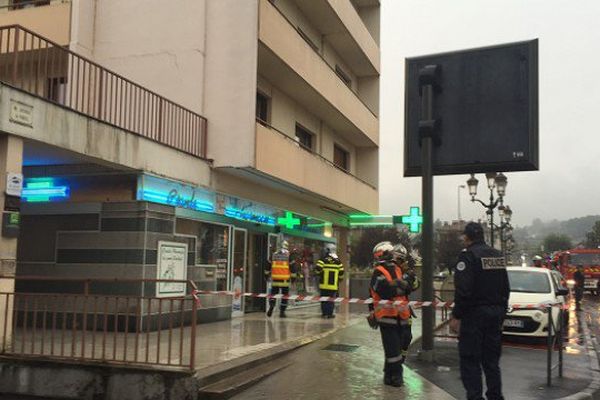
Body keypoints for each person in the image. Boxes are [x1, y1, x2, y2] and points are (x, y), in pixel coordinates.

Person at [449, 222, 510, 400]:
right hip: (495, 315)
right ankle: (495, 396)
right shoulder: (497, 255)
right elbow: (506, 288)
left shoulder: (467, 256)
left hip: (474, 317)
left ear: (467, 237)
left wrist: (456, 316)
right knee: (491, 362)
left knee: (470, 360)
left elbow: (464, 291)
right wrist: (501, 312)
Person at [368, 241, 412, 387]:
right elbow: (385, 291)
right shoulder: (378, 271)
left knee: (397, 347)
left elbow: (409, 287)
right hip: (387, 317)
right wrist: (400, 286)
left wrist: (401, 285)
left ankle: (389, 375)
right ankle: (397, 376)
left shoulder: (399, 269)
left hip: (401, 316)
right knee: (393, 349)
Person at [392, 243, 420, 364]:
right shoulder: (389, 270)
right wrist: (406, 277)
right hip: (391, 310)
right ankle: (394, 361)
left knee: (407, 337)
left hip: (404, 310)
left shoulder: (406, 271)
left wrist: (411, 275)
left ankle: (401, 359)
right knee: (394, 338)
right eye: (398, 259)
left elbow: (414, 286)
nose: (400, 262)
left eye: (402, 259)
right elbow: (400, 287)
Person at [315, 243, 344, 318]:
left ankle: (324, 314)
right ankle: (330, 314)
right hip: (333, 286)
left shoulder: (322, 260)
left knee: (324, 300)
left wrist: (319, 274)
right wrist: (339, 279)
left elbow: (317, 270)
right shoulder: (338, 261)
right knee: (331, 301)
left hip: (323, 285)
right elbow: (341, 273)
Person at [265, 240, 291, 318]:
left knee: (273, 294)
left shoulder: (273, 255)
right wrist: (293, 278)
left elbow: (267, 266)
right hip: (285, 280)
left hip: (275, 279)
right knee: (284, 296)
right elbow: (292, 267)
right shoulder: (289, 255)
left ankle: (271, 307)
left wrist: (266, 275)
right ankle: (282, 312)